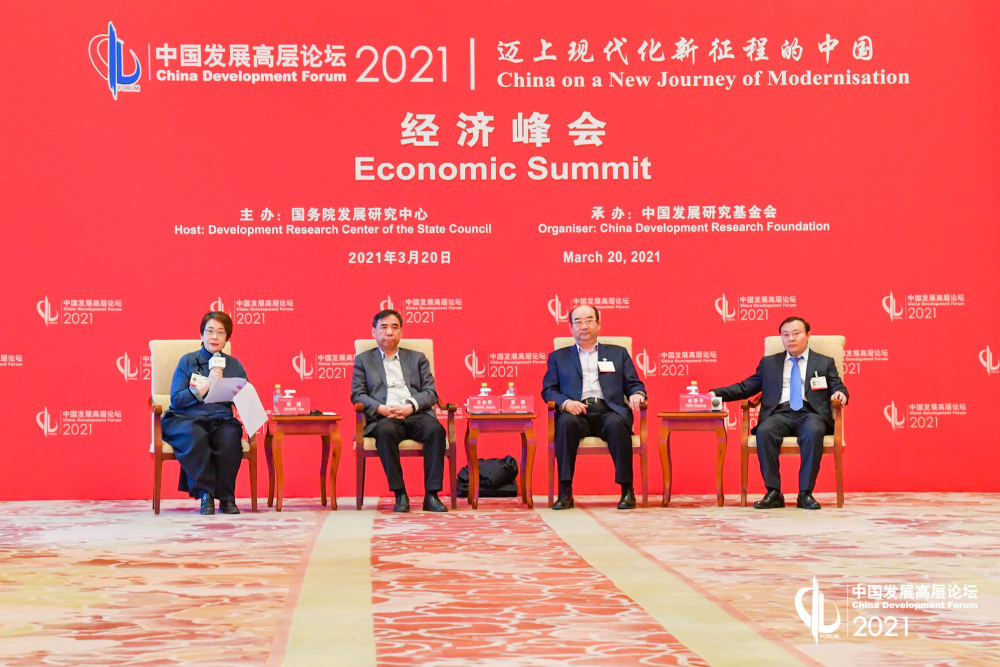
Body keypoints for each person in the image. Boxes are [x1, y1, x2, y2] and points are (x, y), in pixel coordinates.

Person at [709, 316, 848, 510]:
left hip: (810, 413)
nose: (791, 338)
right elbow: (746, 387)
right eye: (786, 335)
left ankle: (805, 494)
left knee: (814, 431)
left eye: (796, 333)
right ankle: (773, 493)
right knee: (764, 431)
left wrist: (840, 393)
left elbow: (837, 385)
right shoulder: (769, 363)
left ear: (808, 335)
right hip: (779, 412)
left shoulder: (824, 362)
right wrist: (715, 394)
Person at [542, 304, 647, 510]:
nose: (584, 326)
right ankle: (565, 492)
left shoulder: (618, 353)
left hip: (608, 410)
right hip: (576, 411)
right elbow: (549, 390)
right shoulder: (558, 357)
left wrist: (637, 394)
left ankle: (627, 491)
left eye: (589, 320)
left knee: (618, 425)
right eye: (578, 321)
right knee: (565, 424)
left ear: (599, 324)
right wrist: (566, 403)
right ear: (571, 327)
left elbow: (634, 383)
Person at [351, 309, 448, 512]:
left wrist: (410, 406)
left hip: (415, 413)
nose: (389, 332)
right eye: (384, 327)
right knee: (385, 433)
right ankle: (400, 494)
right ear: (374, 332)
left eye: (394, 327)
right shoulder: (363, 360)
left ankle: (432, 496)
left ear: (401, 332)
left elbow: (431, 392)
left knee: (435, 430)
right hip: (385, 417)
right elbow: (358, 395)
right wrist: (381, 408)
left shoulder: (417, 358)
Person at [161, 312, 248, 515]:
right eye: (209, 331)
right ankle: (206, 495)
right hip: (187, 417)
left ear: (227, 339)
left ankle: (227, 497)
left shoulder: (235, 365)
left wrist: (243, 401)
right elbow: (177, 400)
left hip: (221, 418)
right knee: (196, 435)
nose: (214, 337)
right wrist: (207, 382)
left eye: (220, 332)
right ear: (201, 335)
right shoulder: (187, 361)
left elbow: (245, 397)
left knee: (229, 437)